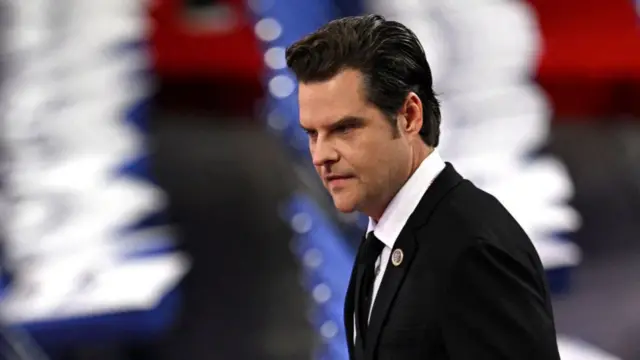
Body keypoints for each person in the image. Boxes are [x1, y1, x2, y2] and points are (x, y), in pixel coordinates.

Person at [286, 14, 561, 360]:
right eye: (312, 134)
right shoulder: (381, 241)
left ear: (409, 117)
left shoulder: (474, 249)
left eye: (345, 129)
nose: (322, 155)